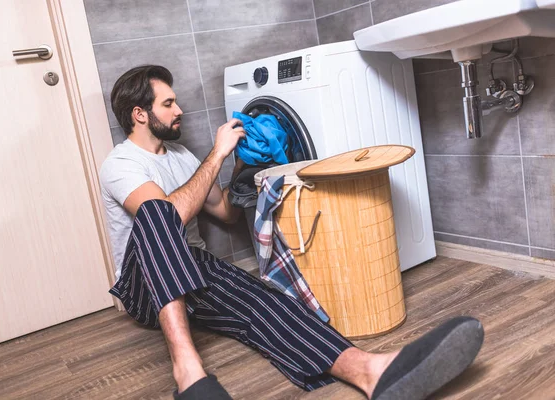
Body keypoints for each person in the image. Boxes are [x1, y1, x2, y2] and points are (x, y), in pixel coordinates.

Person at [99, 65, 484, 400]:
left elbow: (227, 213)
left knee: (264, 301)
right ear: (140, 114)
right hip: (145, 285)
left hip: (192, 268)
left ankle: (371, 371)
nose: (180, 110)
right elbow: (168, 217)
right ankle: (188, 372)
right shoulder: (120, 163)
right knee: (156, 213)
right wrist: (215, 155)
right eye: (168, 104)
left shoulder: (181, 158)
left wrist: (243, 164)